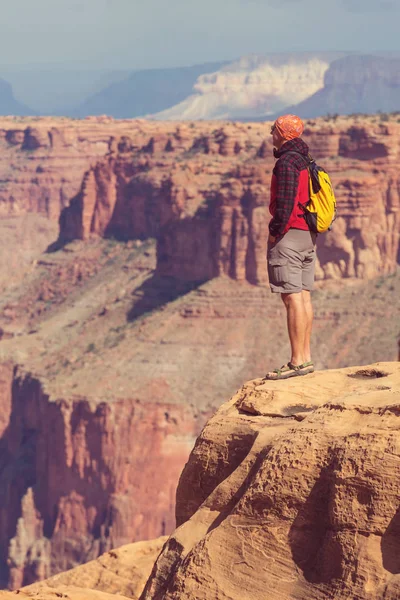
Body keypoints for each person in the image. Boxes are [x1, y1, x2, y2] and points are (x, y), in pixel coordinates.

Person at [265, 114, 316, 380]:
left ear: (283, 133)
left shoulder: (286, 162)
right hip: (307, 234)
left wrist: (275, 233)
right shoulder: (305, 158)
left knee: (292, 296)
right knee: (303, 295)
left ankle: (297, 361)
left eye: (273, 129)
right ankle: (305, 358)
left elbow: (284, 203)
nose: (270, 132)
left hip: (290, 234)